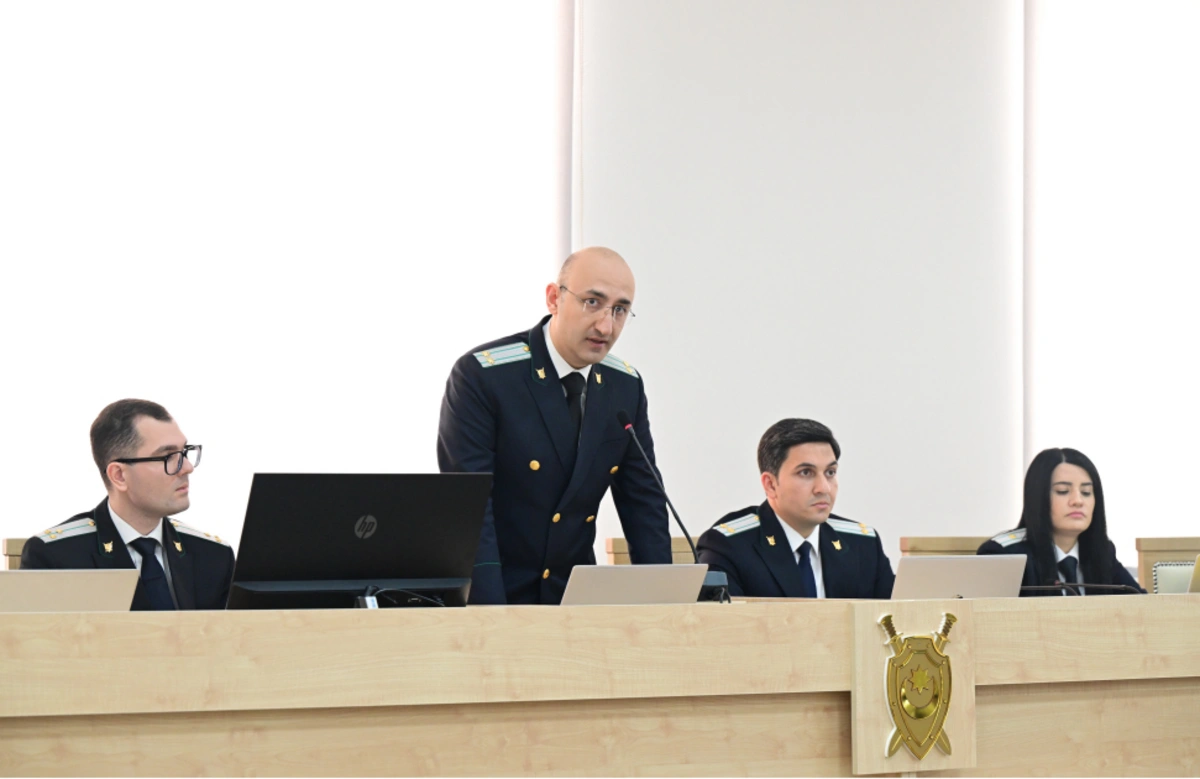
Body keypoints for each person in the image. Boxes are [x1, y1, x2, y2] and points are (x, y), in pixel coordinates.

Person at [438, 247, 672, 604]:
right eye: (592, 302)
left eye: (620, 310)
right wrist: (492, 617)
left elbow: (645, 504)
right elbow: (470, 512)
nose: (606, 326)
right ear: (554, 298)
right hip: (498, 594)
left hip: (574, 602)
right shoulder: (485, 376)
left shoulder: (624, 387)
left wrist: (665, 608)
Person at [21, 399, 235, 610]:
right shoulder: (58, 556)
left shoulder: (213, 555)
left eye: (184, 452)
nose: (187, 467)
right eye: (168, 457)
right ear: (119, 475)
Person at [697, 418, 894, 599]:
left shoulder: (862, 544)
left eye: (830, 472)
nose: (824, 488)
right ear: (770, 484)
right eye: (806, 472)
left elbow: (893, 617)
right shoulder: (728, 546)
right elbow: (722, 623)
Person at [978, 447, 1144, 596]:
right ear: (1038, 498)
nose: (1078, 501)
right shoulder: (1004, 556)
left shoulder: (1102, 551)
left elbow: (1142, 605)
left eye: (1086, 492)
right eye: (1063, 491)